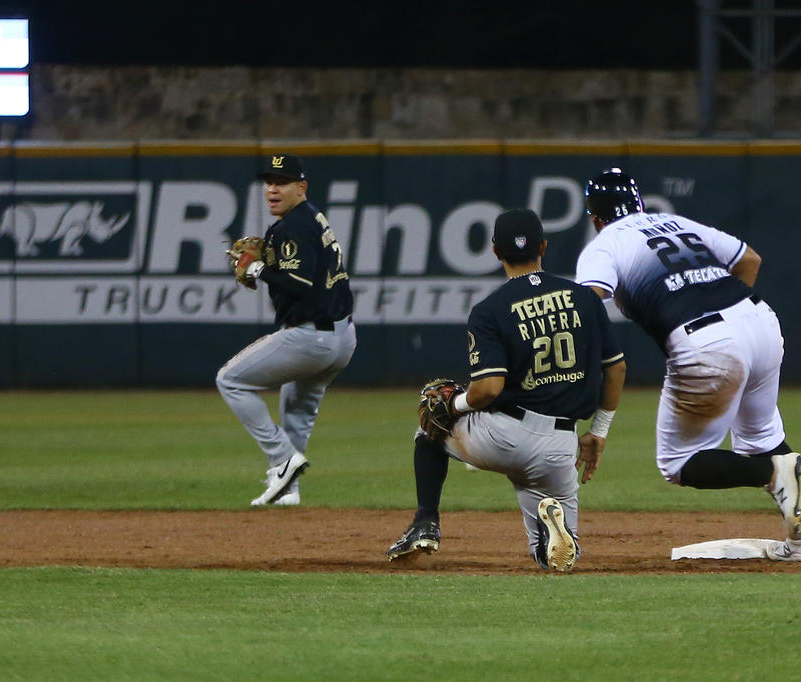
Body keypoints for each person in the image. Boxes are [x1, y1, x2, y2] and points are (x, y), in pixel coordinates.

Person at [574, 168, 801, 562]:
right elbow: (749, 259)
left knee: (679, 463)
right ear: (638, 202)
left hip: (706, 340)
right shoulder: (674, 222)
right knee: (762, 439)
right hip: (759, 320)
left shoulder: (603, 245)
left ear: (594, 217)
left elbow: (588, 300)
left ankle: (773, 474)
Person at [386, 208, 626, 572]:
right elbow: (617, 368)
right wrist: (600, 431)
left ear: (496, 252)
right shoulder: (586, 299)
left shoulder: (491, 309)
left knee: (429, 426)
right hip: (561, 445)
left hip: (505, 437)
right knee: (556, 561)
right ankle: (556, 536)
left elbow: (487, 389)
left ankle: (425, 521)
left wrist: (456, 405)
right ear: (543, 246)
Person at [216, 154, 356, 506]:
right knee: (296, 410)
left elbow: (299, 284)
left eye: (282, 182)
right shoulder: (311, 217)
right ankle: (287, 490)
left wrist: (259, 269)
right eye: (268, 182)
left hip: (311, 337)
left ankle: (282, 459)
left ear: (301, 187)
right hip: (342, 336)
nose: (272, 189)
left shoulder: (293, 226)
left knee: (230, 380)